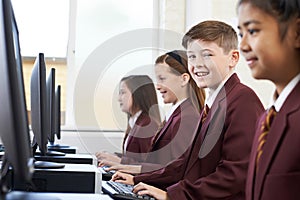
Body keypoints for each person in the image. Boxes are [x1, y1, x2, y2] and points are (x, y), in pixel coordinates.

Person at [112, 20, 264, 200]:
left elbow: (235, 173)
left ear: (233, 58)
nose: (197, 64)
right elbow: (184, 164)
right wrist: (137, 179)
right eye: (192, 56)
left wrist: (172, 195)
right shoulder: (213, 104)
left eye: (207, 55)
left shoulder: (242, 100)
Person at [100, 50, 205, 174]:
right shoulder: (176, 114)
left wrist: (126, 167)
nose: (158, 86)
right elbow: (160, 164)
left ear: (184, 79)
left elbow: (178, 170)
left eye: (162, 79)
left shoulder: (187, 117)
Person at [237, 1, 300, 199]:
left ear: (296, 33)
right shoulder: (267, 118)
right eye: (241, 34)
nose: (243, 45)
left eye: (253, 31)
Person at [96, 75, 161, 165]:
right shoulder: (136, 122)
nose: (119, 99)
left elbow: (150, 167)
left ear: (137, 94)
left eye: (123, 93)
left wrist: (119, 161)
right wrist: (112, 157)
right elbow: (134, 158)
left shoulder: (147, 125)